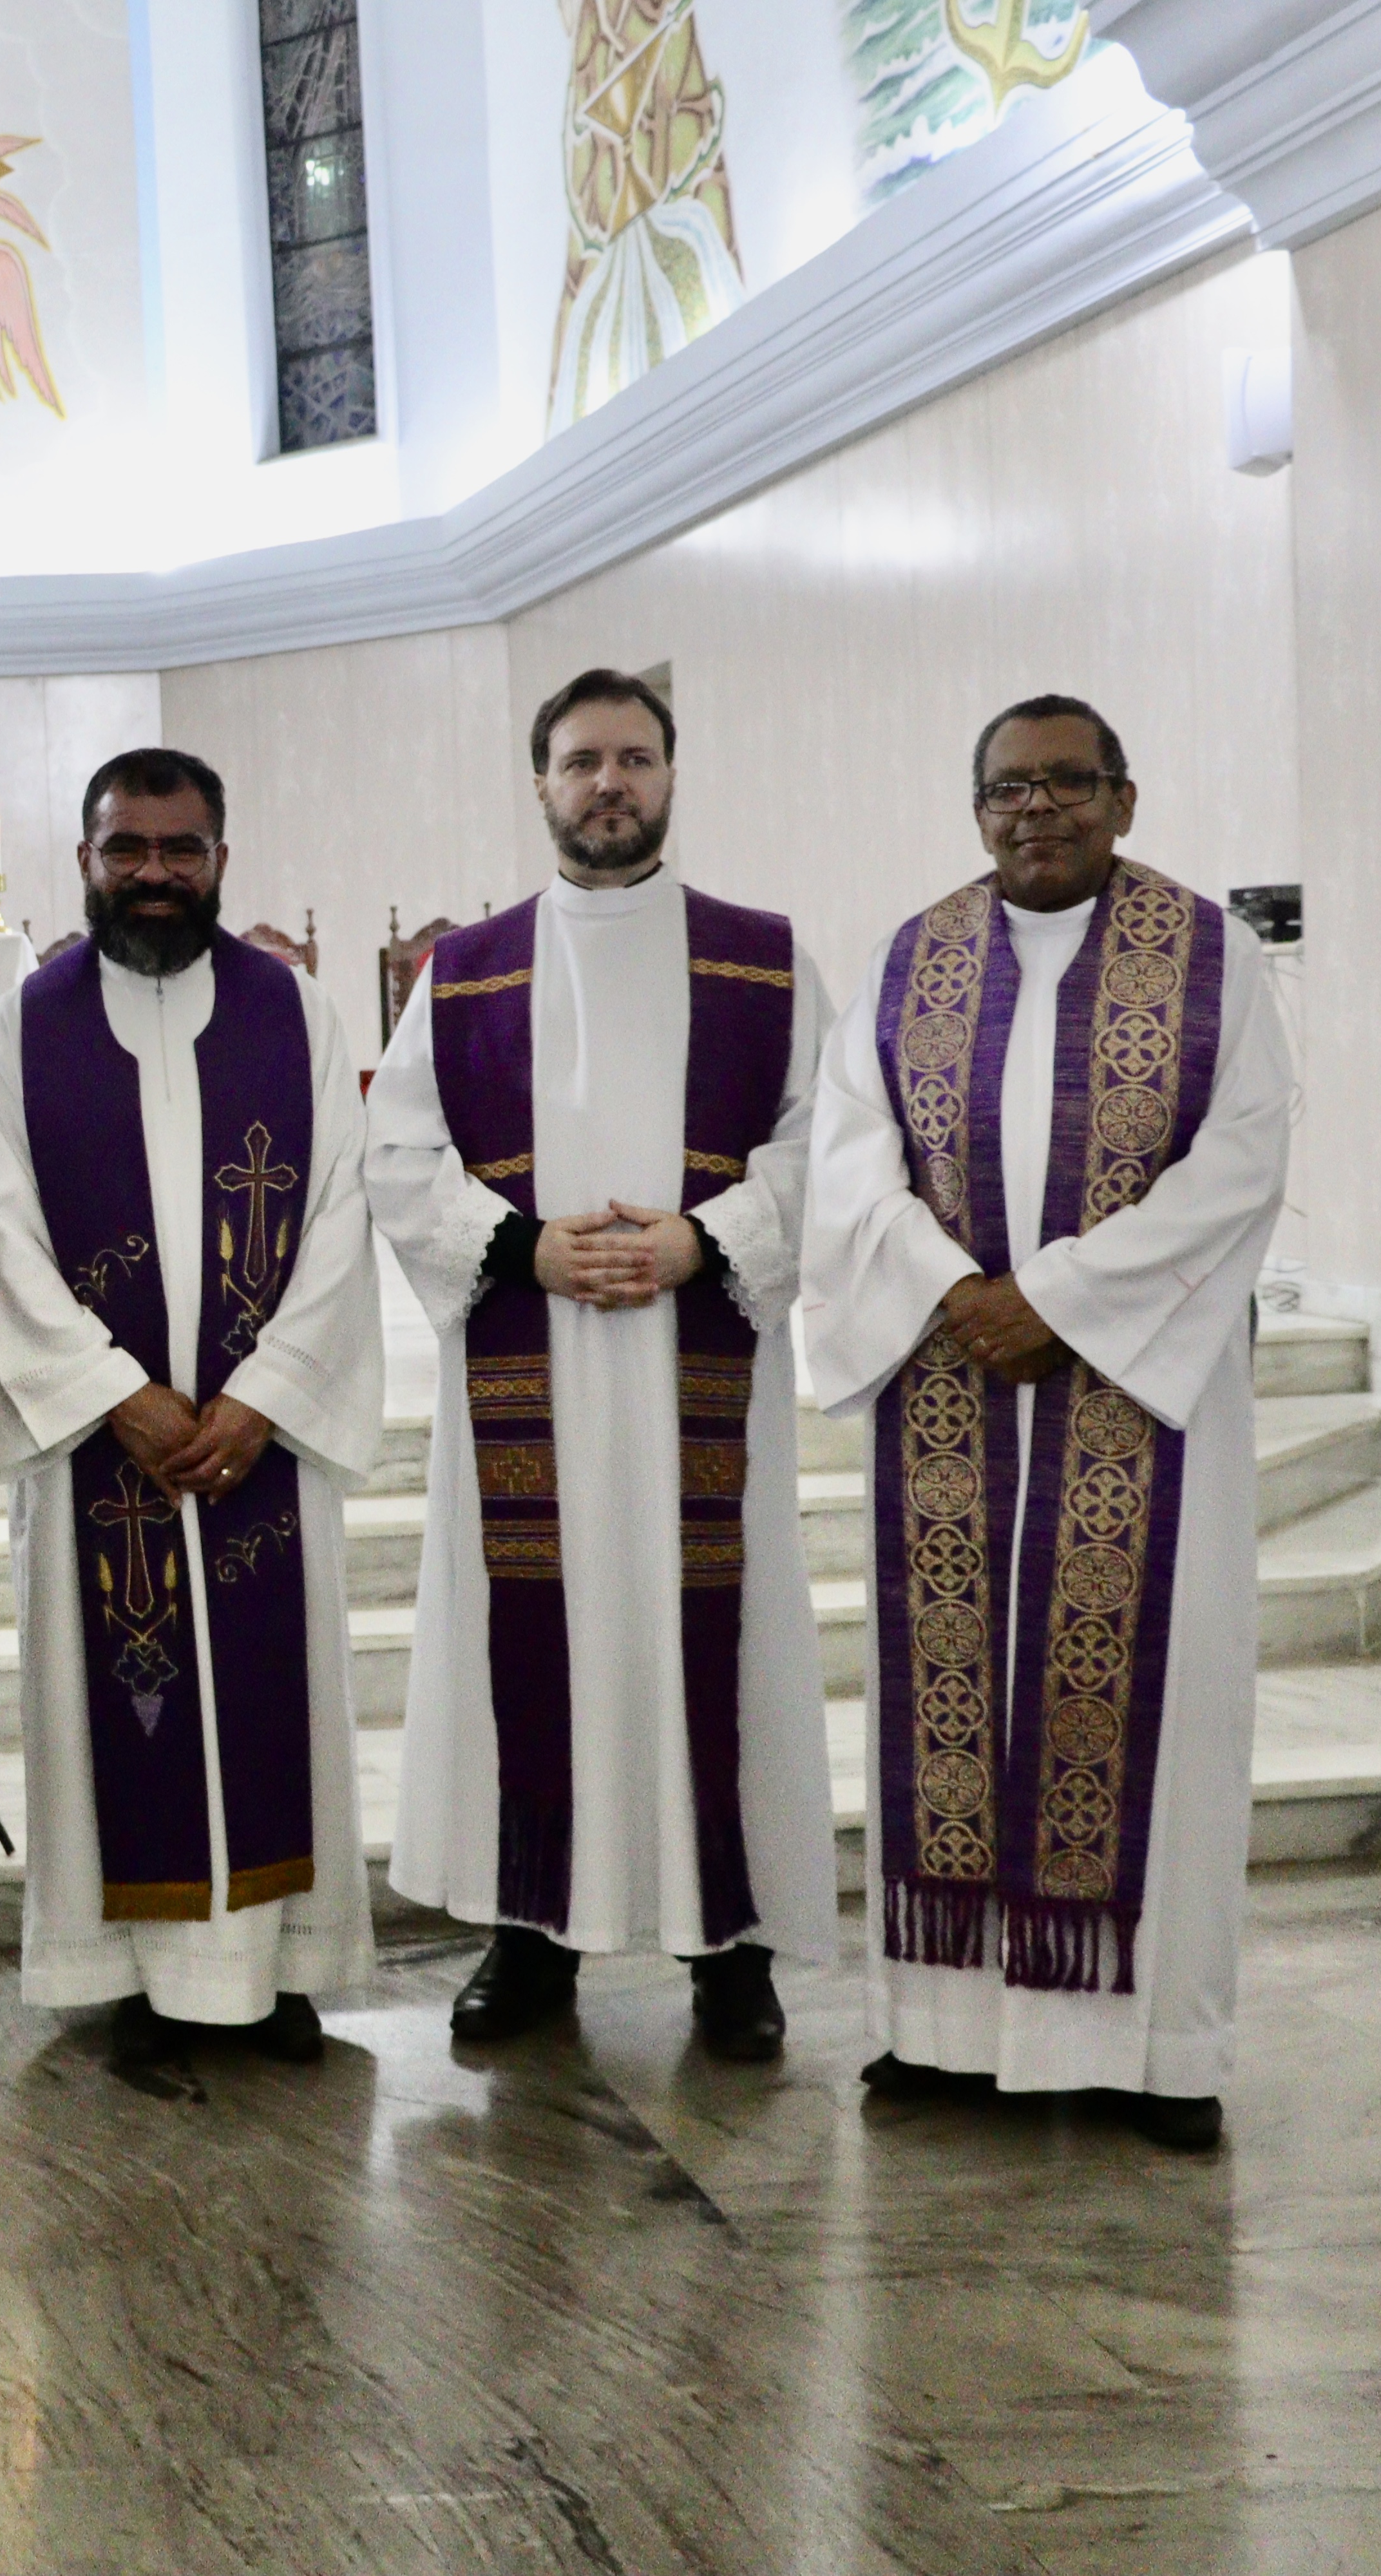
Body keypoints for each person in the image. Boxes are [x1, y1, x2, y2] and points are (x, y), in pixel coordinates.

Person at [803, 695, 1289, 2151]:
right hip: (951, 1378)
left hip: (1141, 1392)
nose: (1039, 809)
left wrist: (1061, 1299)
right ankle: (943, 2033)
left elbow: (1242, 1160)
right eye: (1009, 787)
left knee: (1158, 1710)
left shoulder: (1214, 957)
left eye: (1071, 782)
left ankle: (1152, 2053)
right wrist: (960, 1292)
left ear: (1126, 800)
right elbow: (850, 1159)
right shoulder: (912, 958)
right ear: (977, 810)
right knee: (948, 1707)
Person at [368, 669, 838, 2058]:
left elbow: (829, 1147)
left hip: (701, 1370)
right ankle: (529, 1934)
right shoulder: (466, 973)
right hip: (537, 1362)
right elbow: (397, 1153)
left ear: (674, 774)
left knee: (724, 1646)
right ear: (541, 783)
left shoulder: (762, 959)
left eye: (635, 757)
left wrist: (706, 1241)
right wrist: (523, 1252)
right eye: (582, 761)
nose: (609, 783)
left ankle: (731, 1948)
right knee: (529, 1640)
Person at [0, 751, 385, 2071]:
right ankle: (135, 1970)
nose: (152, 872)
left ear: (220, 860)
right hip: (107, 1453)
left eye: (179, 849)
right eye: (125, 848)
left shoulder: (295, 1014)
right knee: (115, 1707)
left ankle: (281, 1963)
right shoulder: (15, 1030)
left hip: (257, 1445)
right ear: (82, 862)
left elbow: (343, 1213)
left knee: (272, 1695)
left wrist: (262, 1399)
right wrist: (112, 1395)